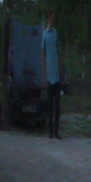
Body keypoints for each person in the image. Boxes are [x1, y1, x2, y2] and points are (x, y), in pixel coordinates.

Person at [40, 11, 61, 139]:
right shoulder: (44, 35)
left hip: (56, 74)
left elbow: (58, 51)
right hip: (49, 74)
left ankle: (57, 131)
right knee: (49, 104)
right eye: (51, 19)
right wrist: (44, 73)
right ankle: (50, 131)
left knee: (57, 105)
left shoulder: (55, 33)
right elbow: (43, 54)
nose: (53, 21)